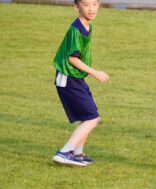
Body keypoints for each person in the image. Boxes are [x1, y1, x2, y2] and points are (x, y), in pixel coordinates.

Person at [52, 0, 109, 167]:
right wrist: (94, 72)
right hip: (68, 78)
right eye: (86, 5)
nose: (91, 8)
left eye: (94, 4)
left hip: (76, 77)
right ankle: (64, 152)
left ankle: (77, 154)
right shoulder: (76, 30)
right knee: (92, 118)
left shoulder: (87, 26)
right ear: (76, 7)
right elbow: (72, 58)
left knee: (89, 115)